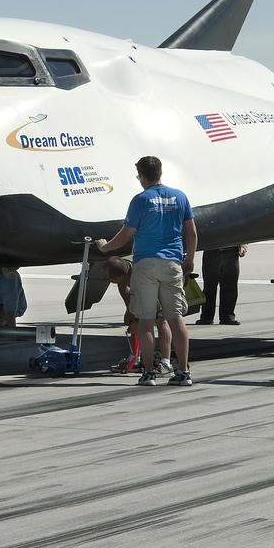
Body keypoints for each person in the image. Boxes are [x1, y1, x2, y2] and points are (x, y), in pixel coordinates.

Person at [96, 155, 197, 387]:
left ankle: (149, 373)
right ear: (161, 172)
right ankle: (183, 371)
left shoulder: (140, 200)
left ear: (141, 176)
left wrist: (105, 247)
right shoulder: (180, 197)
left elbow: (126, 233)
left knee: (146, 321)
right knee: (175, 319)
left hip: (146, 264)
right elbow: (191, 233)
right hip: (172, 263)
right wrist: (189, 259)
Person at [101, 256, 172, 374]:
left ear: (119, 277)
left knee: (160, 319)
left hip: (160, 290)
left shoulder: (141, 275)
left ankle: (165, 362)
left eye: (109, 278)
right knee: (133, 320)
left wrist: (138, 321)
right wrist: (130, 313)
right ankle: (134, 358)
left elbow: (157, 305)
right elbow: (127, 295)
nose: (107, 280)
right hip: (142, 293)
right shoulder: (122, 273)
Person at [198, 245, 247, 325]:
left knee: (230, 285)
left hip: (232, 250)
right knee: (209, 286)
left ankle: (227, 316)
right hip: (211, 250)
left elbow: (241, 232)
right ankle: (206, 317)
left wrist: (243, 245)